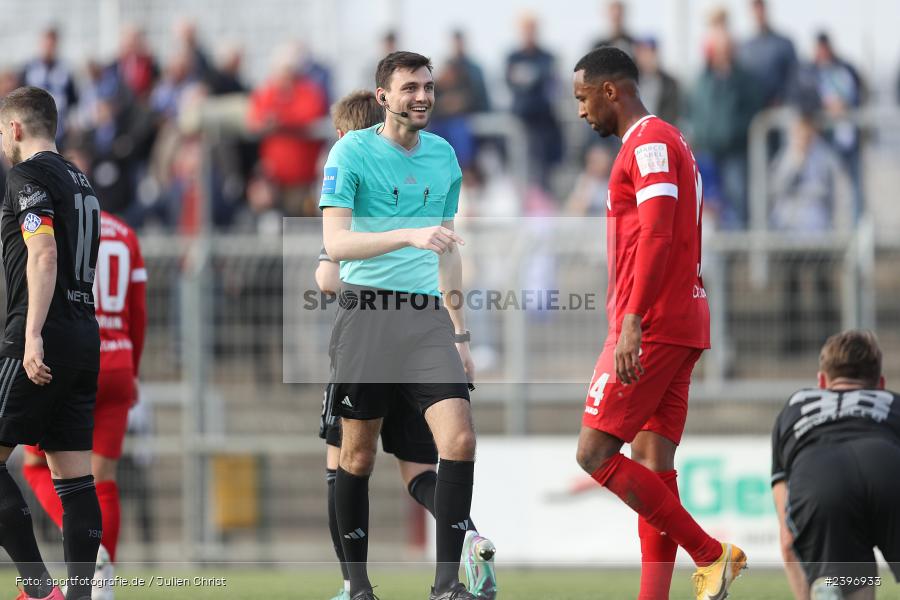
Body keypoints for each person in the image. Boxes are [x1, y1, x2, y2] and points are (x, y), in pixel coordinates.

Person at [571, 48, 747, 600]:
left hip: (653, 323)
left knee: (593, 454)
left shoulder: (648, 144)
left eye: (582, 98)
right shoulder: (668, 142)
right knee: (652, 466)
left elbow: (657, 234)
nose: (580, 113)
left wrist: (630, 320)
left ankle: (712, 554)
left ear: (610, 91)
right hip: (678, 318)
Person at [317, 89, 496, 600]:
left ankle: (356, 583)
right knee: (416, 469)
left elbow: (328, 272)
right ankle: (468, 537)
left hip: (387, 328)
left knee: (347, 460)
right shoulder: (362, 174)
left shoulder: (364, 189)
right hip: (388, 330)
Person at [0, 86, 102, 600]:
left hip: (42, 332)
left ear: (14, 129)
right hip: (86, 336)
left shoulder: (27, 176)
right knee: (76, 480)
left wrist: (32, 334)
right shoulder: (83, 181)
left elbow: (43, 255)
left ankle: (39, 591)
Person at [21, 209, 147, 600]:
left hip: (73, 356)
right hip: (119, 360)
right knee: (102, 480)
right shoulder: (125, 233)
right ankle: (102, 583)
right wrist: (134, 369)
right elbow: (138, 310)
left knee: (34, 465)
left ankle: (91, 552)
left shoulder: (59, 228)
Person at [771, 330, 900, 600]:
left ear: (821, 381)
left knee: (850, 581)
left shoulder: (796, 405)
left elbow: (787, 540)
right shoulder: (892, 403)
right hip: (887, 465)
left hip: (821, 478)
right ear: (881, 384)